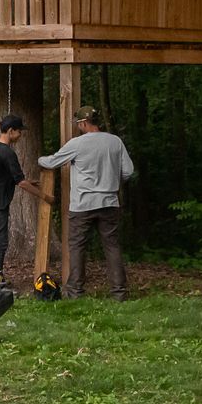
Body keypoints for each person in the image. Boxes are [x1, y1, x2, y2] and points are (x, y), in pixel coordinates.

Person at [37, 108, 135, 300]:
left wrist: (39, 158)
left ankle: (75, 291)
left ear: (83, 123)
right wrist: (111, 181)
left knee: (77, 246)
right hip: (109, 203)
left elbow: (52, 162)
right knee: (112, 246)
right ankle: (119, 292)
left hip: (82, 204)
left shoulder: (77, 144)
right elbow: (128, 171)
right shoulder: (115, 141)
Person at [0, 114, 38, 273]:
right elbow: (20, 182)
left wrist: (30, 181)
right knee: (0, 242)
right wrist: (44, 196)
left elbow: (0, 175)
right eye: (19, 132)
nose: (20, 135)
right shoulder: (7, 152)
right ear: (11, 131)